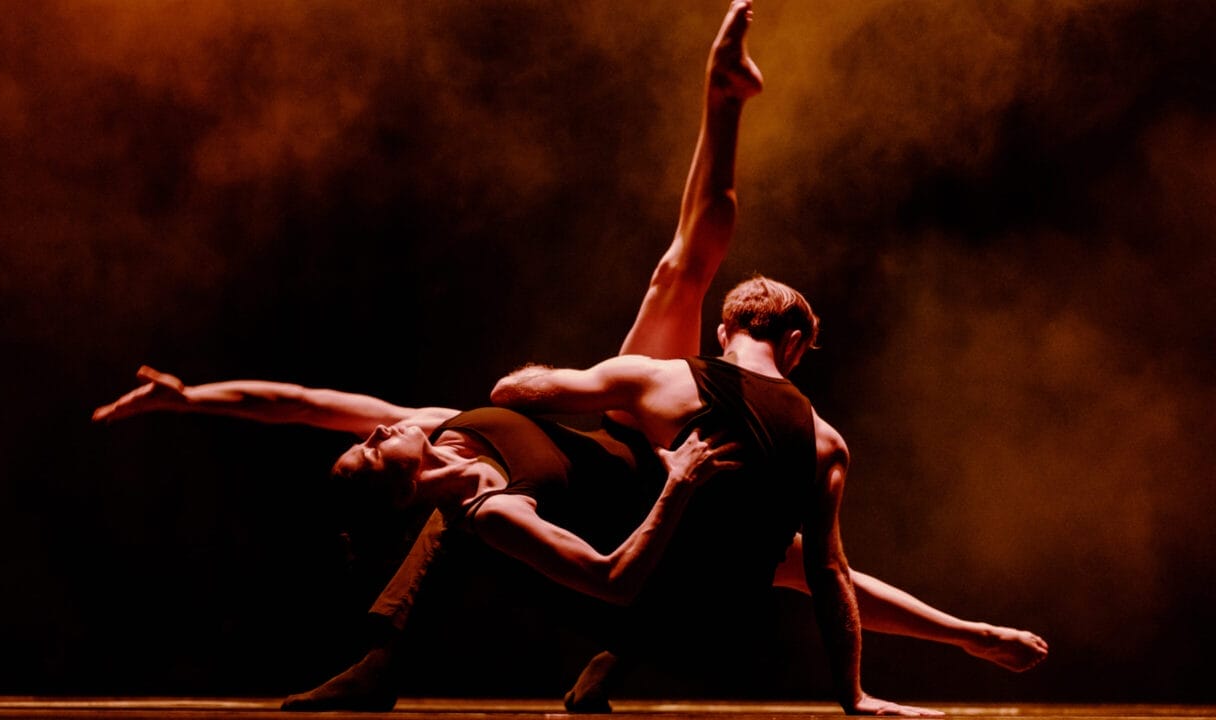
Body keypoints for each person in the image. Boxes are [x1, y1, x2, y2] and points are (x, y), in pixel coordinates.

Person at [94, 0, 1045, 712]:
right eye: (377, 447)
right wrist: (962, 636)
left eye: (374, 432)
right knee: (720, 466)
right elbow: (777, 573)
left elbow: (293, 400)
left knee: (681, 266)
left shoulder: (433, 429)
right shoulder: (482, 502)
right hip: (644, 519)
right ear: (398, 477)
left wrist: (187, 396)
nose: (382, 424)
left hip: (636, 450)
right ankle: (423, 664)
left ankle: (722, 103)